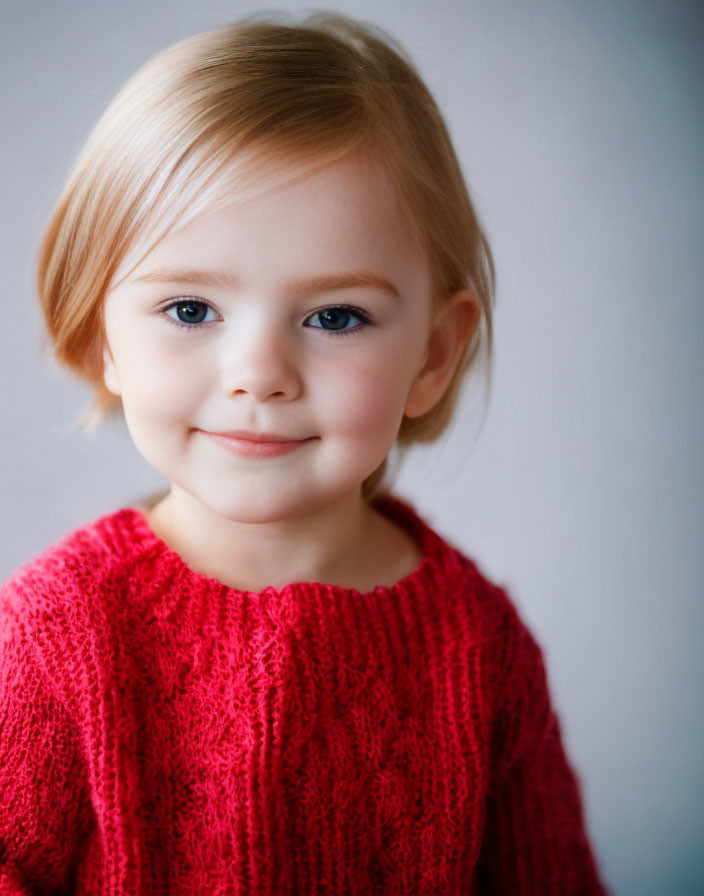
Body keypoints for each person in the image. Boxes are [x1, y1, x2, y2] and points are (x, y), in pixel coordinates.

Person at [0, 11, 609, 894]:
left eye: (334, 317)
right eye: (189, 309)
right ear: (102, 334)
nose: (258, 374)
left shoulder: (481, 648)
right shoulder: (54, 638)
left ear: (433, 356)